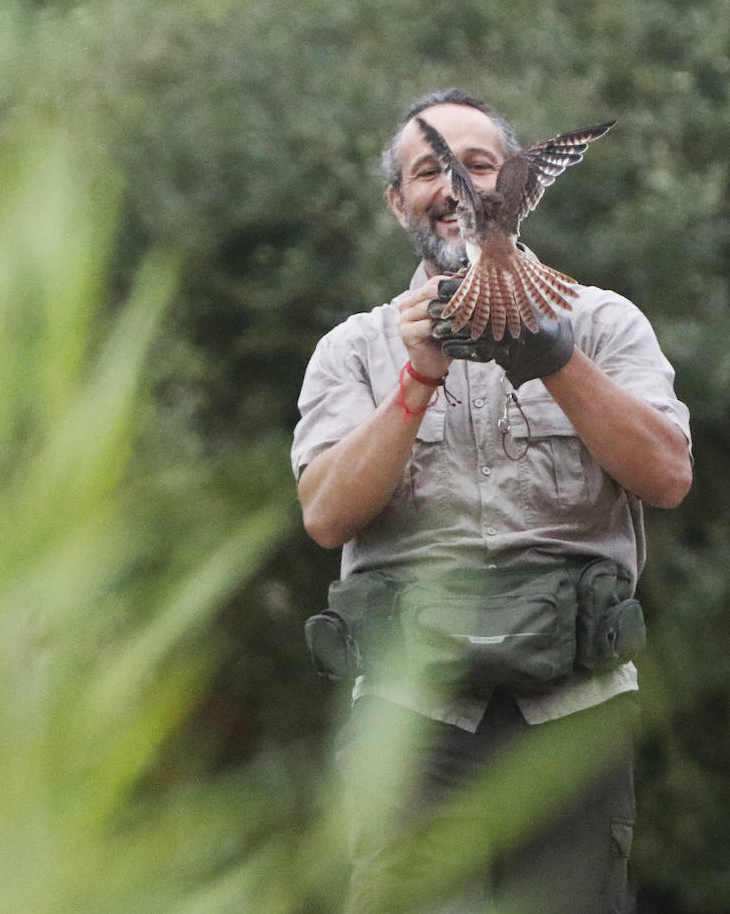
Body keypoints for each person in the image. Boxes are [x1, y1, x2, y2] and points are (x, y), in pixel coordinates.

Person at [292, 88, 692, 913]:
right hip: (411, 720)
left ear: (516, 181)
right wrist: (418, 376)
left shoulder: (604, 322)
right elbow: (326, 515)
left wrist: (553, 352)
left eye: (478, 166)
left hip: (572, 715)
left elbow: (668, 476)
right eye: (428, 170)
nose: (454, 188)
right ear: (397, 200)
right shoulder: (354, 348)